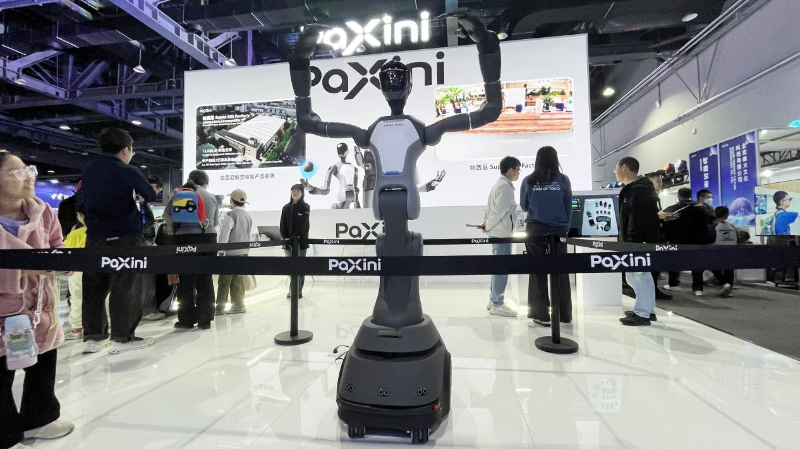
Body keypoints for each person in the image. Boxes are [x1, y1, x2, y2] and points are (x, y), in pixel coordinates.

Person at [0, 149, 74, 448]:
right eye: (17, 172)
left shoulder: (42, 211)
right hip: (4, 310)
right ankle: (5, 432)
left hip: (41, 307)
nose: (29, 177)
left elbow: (58, 244)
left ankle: (39, 420)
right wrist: (21, 269)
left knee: (43, 363)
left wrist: (64, 260)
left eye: (29, 170)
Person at [78, 128, 156, 355]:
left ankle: (93, 337)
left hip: (95, 237)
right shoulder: (128, 170)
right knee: (126, 287)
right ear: (126, 150)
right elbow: (150, 195)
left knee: (93, 287)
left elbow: (81, 200)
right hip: (126, 236)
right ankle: (122, 338)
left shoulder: (89, 170)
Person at [520, 146, 572, 327]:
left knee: (537, 271)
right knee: (560, 271)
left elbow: (524, 206)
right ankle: (564, 314)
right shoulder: (564, 180)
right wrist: (565, 227)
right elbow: (568, 205)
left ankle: (541, 315)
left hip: (535, 229)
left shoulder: (528, 180)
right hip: (558, 230)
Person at [164, 180, 216, 331]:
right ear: (204, 183)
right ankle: (205, 320)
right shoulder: (210, 196)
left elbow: (167, 215)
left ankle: (186, 320)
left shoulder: (177, 193)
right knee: (205, 279)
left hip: (182, 238)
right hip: (206, 238)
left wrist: (173, 228)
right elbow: (215, 221)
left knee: (184, 280)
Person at [616, 156, 661, 326]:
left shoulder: (638, 189)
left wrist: (633, 241)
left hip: (637, 241)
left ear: (624, 167)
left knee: (640, 276)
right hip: (635, 240)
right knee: (636, 277)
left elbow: (637, 218)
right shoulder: (637, 188)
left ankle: (643, 313)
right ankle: (646, 309)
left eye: (616, 168)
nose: (615, 172)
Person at [478, 156, 520, 317]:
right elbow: (499, 211)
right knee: (502, 268)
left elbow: (491, 209)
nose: (518, 173)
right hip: (502, 234)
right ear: (510, 171)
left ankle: (494, 299)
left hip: (498, 232)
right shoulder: (505, 187)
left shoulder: (499, 184)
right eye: (517, 170)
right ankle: (497, 304)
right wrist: (487, 225)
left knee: (498, 267)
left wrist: (486, 224)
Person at [662, 187, 711, 296]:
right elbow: (709, 222)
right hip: (698, 241)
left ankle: (674, 284)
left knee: (674, 262)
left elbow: (664, 223)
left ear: (678, 196)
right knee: (697, 264)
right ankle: (698, 288)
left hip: (677, 241)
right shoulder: (701, 209)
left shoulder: (672, 209)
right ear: (690, 195)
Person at [216, 189, 254, 315]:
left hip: (230, 254)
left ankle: (219, 308)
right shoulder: (247, 216)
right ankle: (238, 306)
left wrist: (220, 250)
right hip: (243, 253)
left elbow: (225, 234)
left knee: (224, 282)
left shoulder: (231, 214)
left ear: (232, 200)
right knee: (238, 282)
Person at [280, 184, 310, 299]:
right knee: (290, 267)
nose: (295, 192)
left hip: (300, 243)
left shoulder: (305, 207)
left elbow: (304, 225)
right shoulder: (286, 208)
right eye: (293, 190)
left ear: (302, 193)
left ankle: (297, 291)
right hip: (287, 243)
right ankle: (292, 290)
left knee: (300, 268)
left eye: (298, 190)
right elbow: (282, 224)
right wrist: (284, 237)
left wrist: (296, 238)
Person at [64, 198, 88, 341]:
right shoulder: (101, 234)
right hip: (98, 269)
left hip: (77, 269)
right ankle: (106, 323)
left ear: (79, 215)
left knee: (77, 297)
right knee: (102, 297)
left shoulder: (75, 233)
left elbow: (67, 251)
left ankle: (77, 327)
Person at [645, 171, 672, 300]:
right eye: (658, 181)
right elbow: (642, 216)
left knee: (655, 267)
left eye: (661, 180)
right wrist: (657, 216)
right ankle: (651, 292)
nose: (661, 183)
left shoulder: (654, 197)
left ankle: (654, 290)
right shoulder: (646, 197)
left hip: (656, 236)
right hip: (648, 238)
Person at [711, 206, 737, 297]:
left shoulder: (713, 227)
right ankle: (729, 289)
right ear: (727, 215)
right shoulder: (732, 227)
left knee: (714, 267)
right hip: (730, 251)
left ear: (715, 214)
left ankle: (725, 284)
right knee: (729, 271)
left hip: (716, 251)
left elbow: (709, 239)